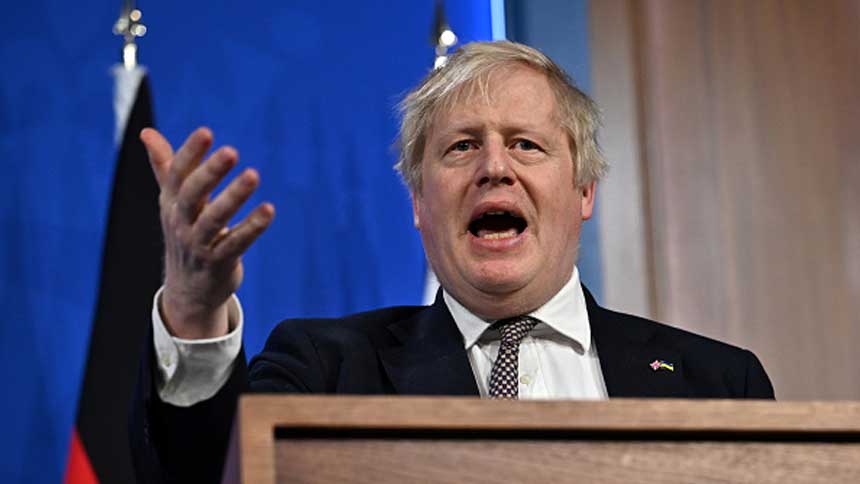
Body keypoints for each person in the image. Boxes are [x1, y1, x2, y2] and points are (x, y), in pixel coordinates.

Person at [129, 41, 774, 483]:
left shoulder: (718, 384)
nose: (495, 168)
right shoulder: (325, 369)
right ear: (418, 202)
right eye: (462, 147)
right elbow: (210, 475)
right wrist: (193, 309)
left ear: (584, 191)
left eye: (526, 144)